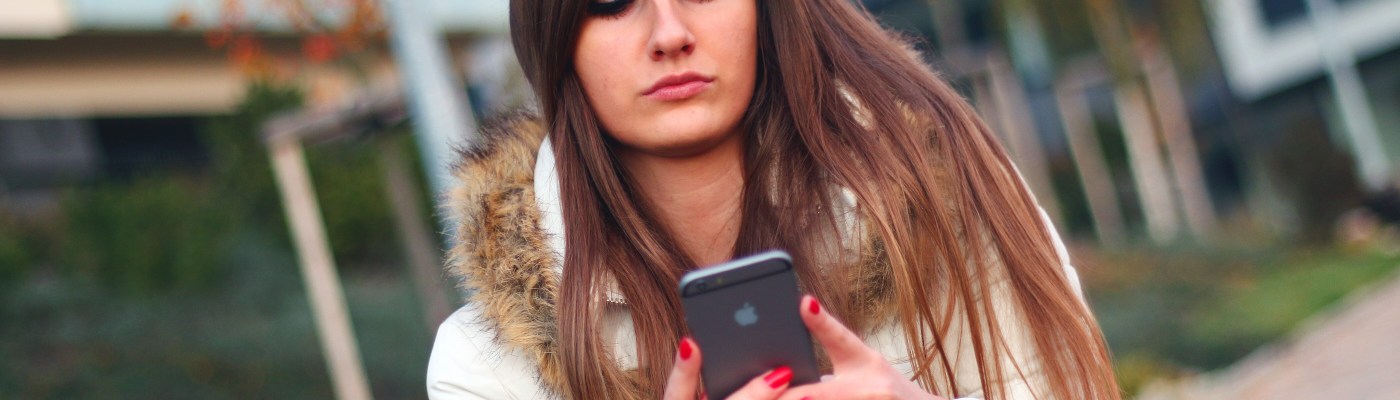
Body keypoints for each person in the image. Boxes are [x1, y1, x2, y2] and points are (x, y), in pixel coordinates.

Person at [427, 0, 1121, 398]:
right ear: (552, 33)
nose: (669, 34)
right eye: (610, 1)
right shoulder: (483, 367)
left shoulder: (952, 206)